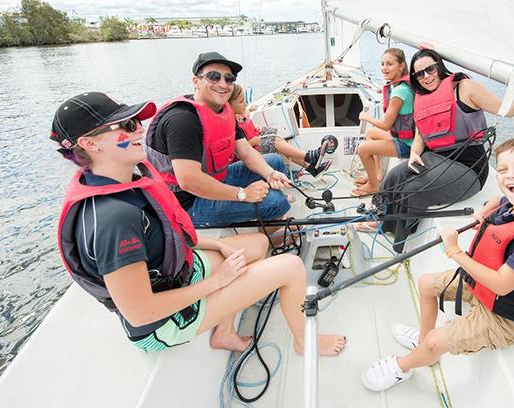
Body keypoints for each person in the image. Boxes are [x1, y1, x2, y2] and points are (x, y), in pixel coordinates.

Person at [50, 91, 346, 355]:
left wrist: (216, 244)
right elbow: (141, 313)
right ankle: (302, 342)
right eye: (127, 126)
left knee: (257, 243)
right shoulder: (113, 219)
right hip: (164, 323)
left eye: (136, 121)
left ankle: (225, 332)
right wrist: (218, 282)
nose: (139, 129)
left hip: (179, 275)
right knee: (291, 267)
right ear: (89, 144)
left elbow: (167, 234)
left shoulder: (124, 182)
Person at [361, 136, 514, 391]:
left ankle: (404, 365)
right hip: (482, 287)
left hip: (506, 315)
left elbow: (503, 285)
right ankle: (423, 342)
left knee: (437, 340)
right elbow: (498, 202)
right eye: (503, 170)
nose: (511, 176)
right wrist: (485, 209)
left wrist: (456, 252)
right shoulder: (513, 204)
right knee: (426, 284)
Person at [367, 48, 514, 248]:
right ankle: (382, 221)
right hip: (436, 159)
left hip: (468, 168)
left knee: (413, 189)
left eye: (430, 70)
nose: (426, 77)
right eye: (419, 74)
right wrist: (415, 152)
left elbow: (507, 110)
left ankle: (400, 241)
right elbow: (421, 131)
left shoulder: (465, 88)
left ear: (439, 67)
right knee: (393, 177)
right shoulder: (422, 96)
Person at [145, 51, 292, 228]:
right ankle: (270, 231)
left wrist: (270, 174)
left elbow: (245, 151)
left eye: (229, 79)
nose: (223, 84)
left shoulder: (222, 110)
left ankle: (264, 211)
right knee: (277, 201)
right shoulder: (183, 120)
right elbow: (188, 181)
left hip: (214, 179)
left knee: (274, 162)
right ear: (196, 81)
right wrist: (242, 194)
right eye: (213, 77)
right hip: (186, 203)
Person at [229, 84, 332, 177]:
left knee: (280, 141)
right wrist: (254, 141)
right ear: (230, 104)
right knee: (275, 141)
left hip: (256, 136)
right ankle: (310, 156)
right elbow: (238, 150)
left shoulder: (239, 114)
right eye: (241, 102)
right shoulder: (230, 124)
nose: (245, 104)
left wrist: (255, 125)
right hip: (252, 147)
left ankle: (311, 168)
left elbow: (245, 121)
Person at [351, 48, 415, 196]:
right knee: (371, 133)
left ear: (401, 66)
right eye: (382, 64)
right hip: (403, 138)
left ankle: (374, 185)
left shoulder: (399, 92)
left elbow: (386, 125)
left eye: (389, 64)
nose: (384, 68)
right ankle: (376, 175)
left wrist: (365, 116)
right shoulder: (401, 86)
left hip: (408, 145)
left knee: (363, 149)